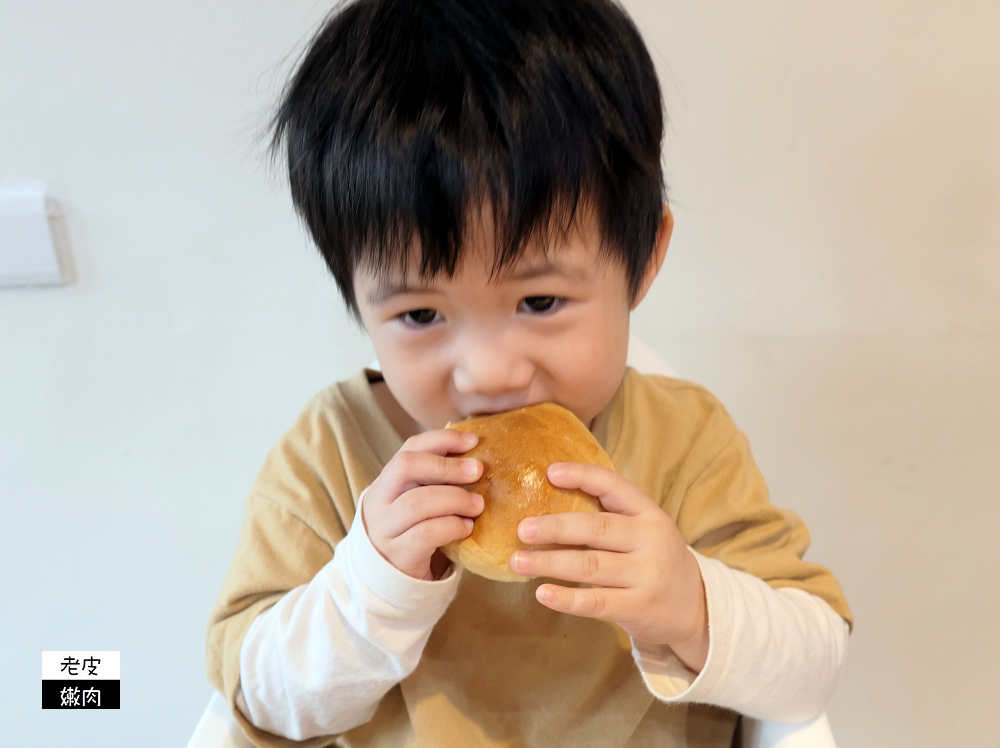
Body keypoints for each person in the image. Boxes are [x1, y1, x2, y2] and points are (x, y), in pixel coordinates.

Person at [206, 0, 853, 746]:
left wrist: (692, 604)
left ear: (641, 262)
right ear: (357, 297)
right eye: (421, 316)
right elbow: (251, 700)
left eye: (540, 300)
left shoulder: (684, 441)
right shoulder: (330, 454)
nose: (488, 372)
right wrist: (371, 586)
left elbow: (813, 671)